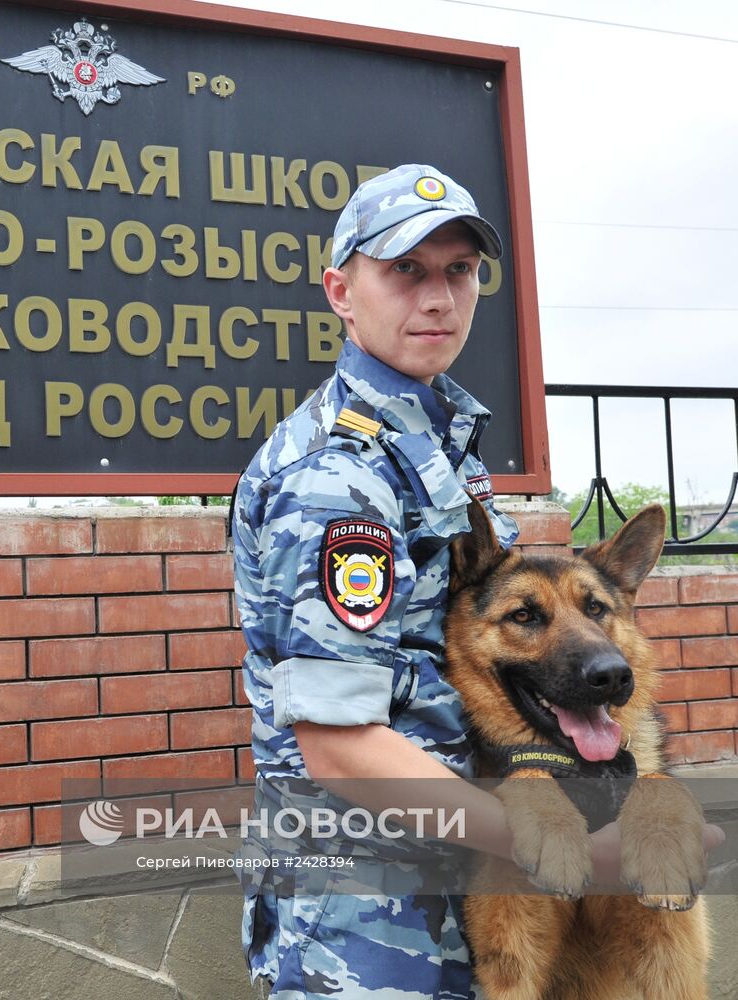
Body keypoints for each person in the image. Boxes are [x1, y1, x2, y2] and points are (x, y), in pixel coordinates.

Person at [229, 163, 522, 999]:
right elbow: (340, 744)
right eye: (405, 270)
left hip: (450, 877)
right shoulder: (338, 475)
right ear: (340, 290)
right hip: (367, 920)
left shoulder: (430, 439)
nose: (438, 298)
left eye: (459, 270)